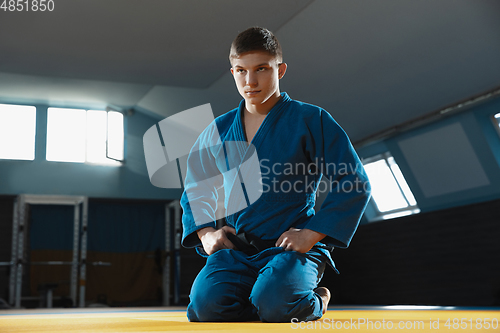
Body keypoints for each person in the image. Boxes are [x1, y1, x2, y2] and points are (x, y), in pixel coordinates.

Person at [180, 27, 371, 323]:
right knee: (206, 308)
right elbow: (196, 187)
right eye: (241, 71)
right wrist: (206, 233)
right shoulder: (218, 130)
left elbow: (354, 182)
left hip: (292, 250)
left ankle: (315, 299)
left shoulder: (311, 120)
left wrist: (310, 234)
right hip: (237, 251)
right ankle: (260, 298)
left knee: (276, 305)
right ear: (232, 72)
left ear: (280, 70)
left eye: (261, 69)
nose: (250, 80)